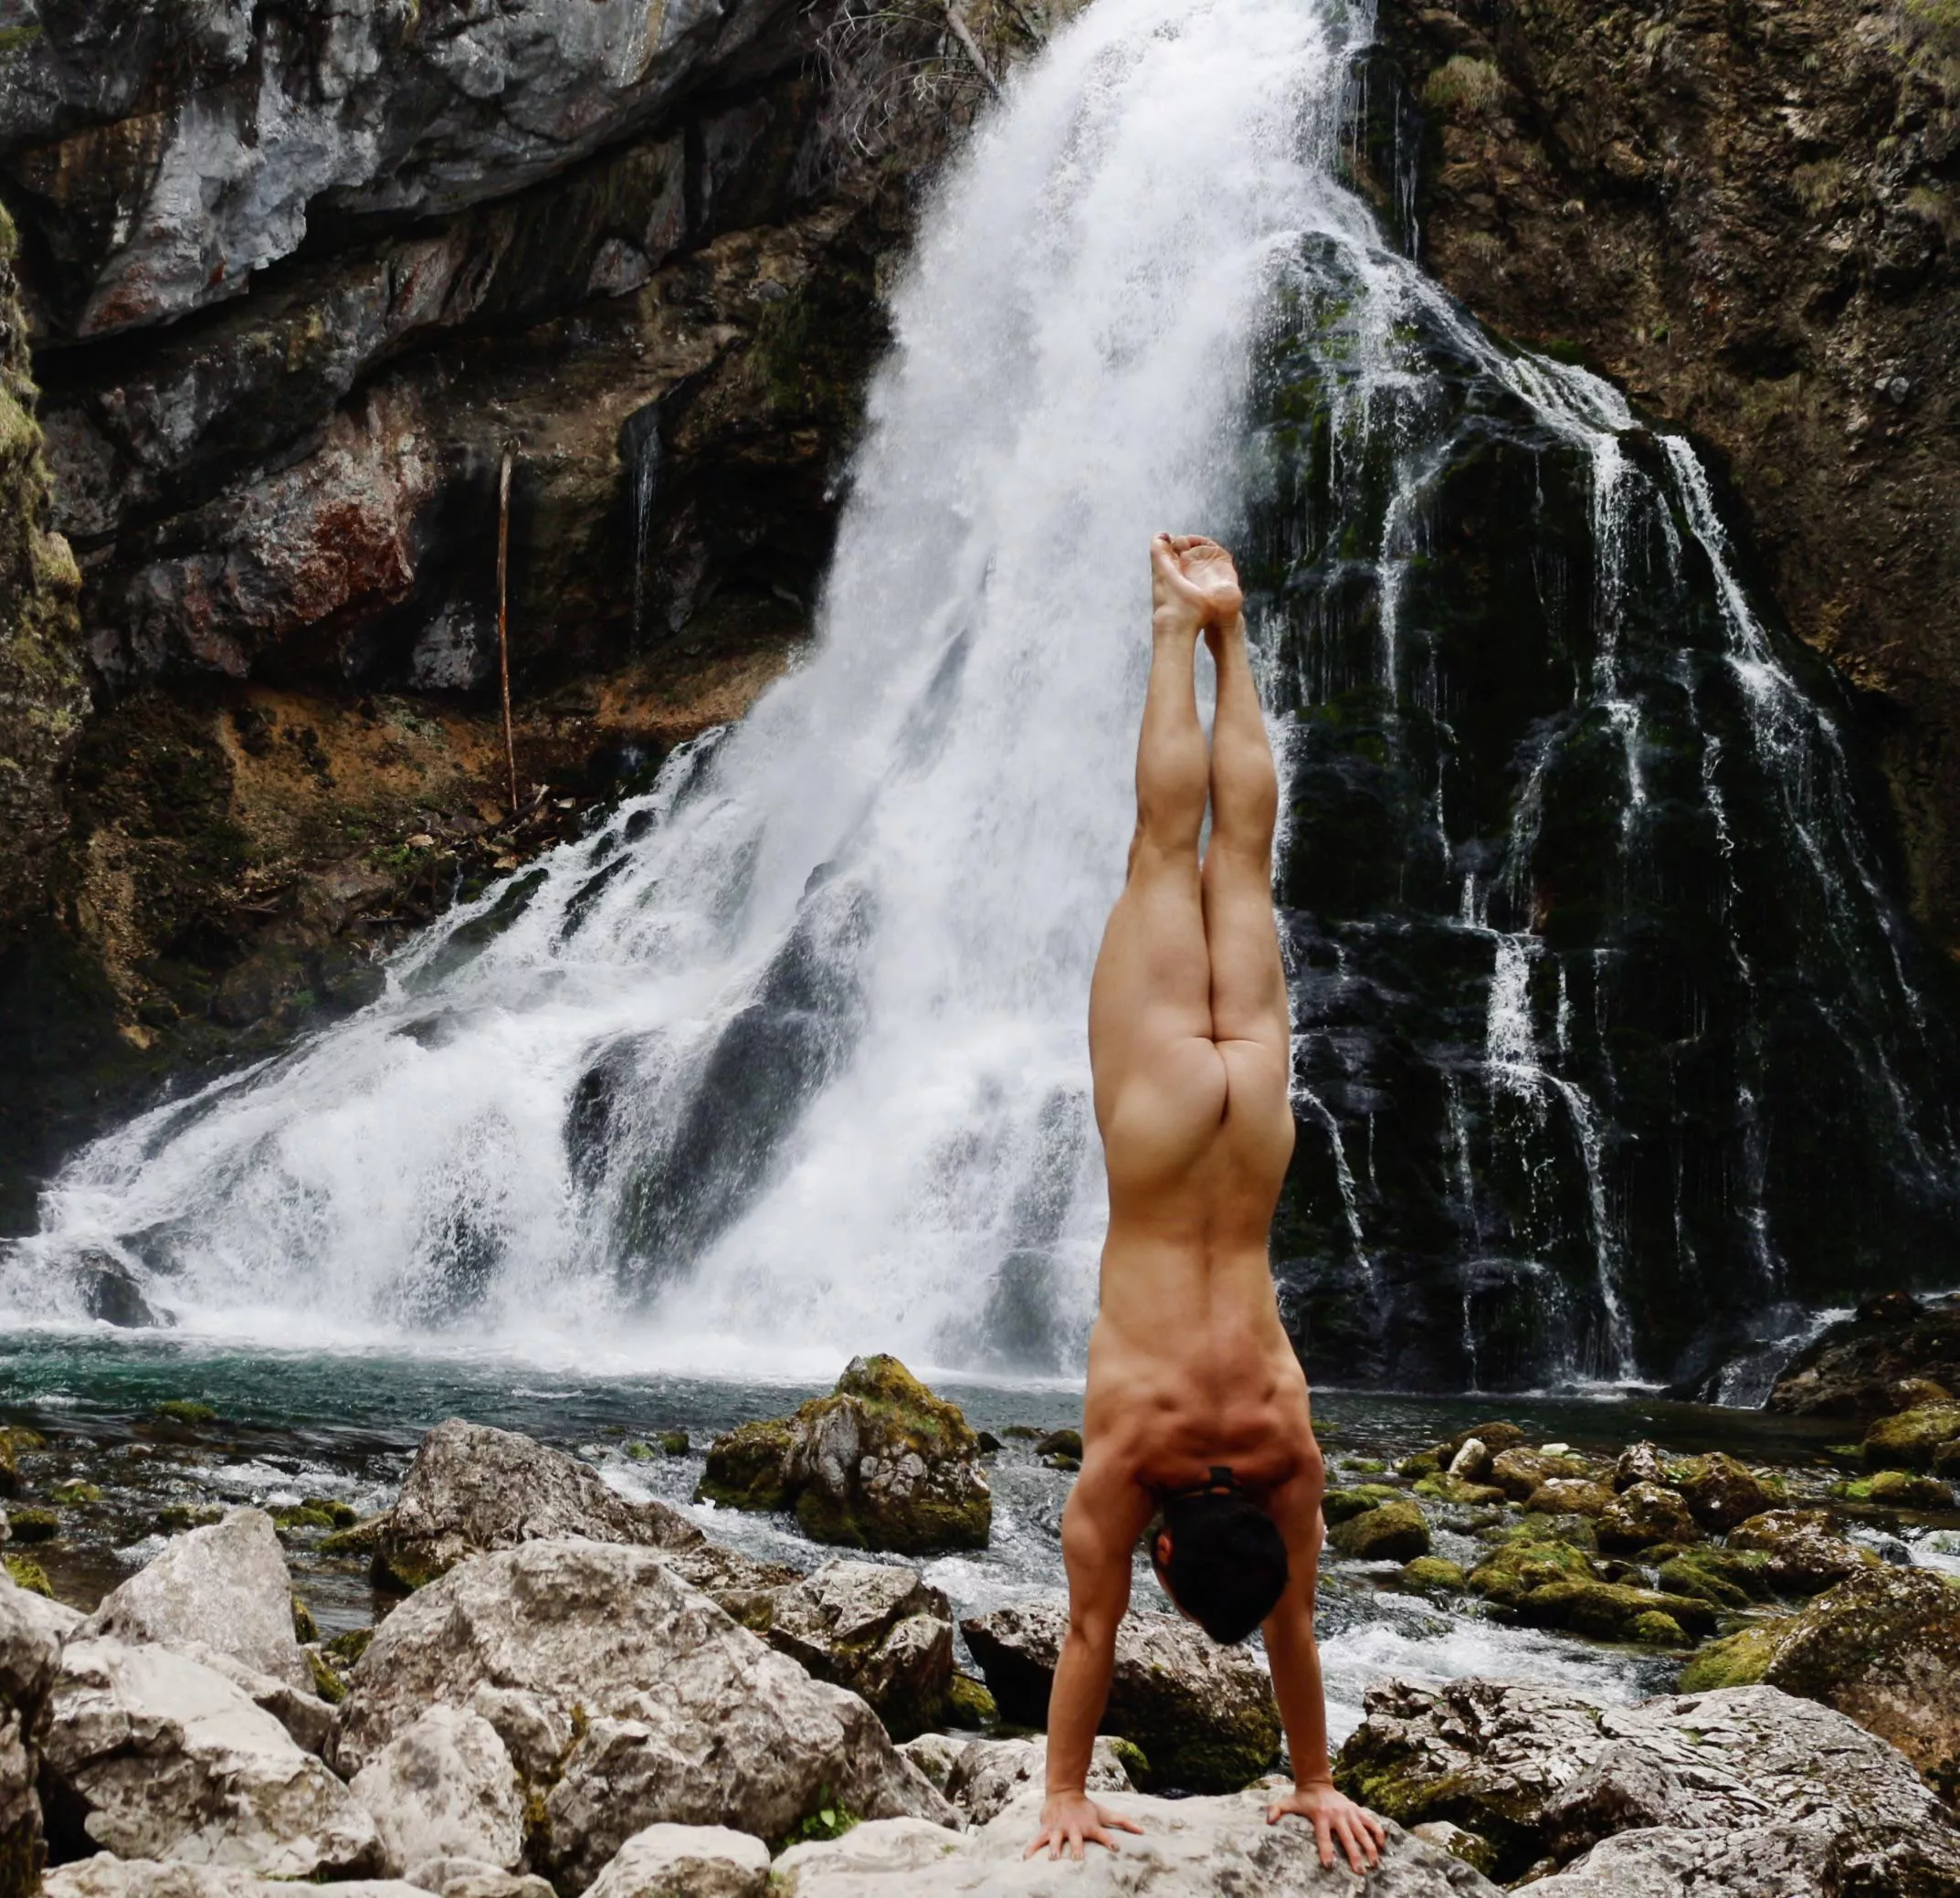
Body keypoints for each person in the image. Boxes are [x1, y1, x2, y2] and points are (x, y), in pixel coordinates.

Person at [1026, 534, 1387, 1875]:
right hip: (1164, 1128)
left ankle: (1227, 633)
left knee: (1240, 857)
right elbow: (1086, 1634)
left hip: (1254, 1119)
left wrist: (1316, 1778)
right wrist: (1060, 1790)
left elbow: (1294, 1621)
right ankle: (1174, 626)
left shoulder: (1292, 1454)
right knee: (1163, 847)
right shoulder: (1128, 1462)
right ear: (1165, 1541)